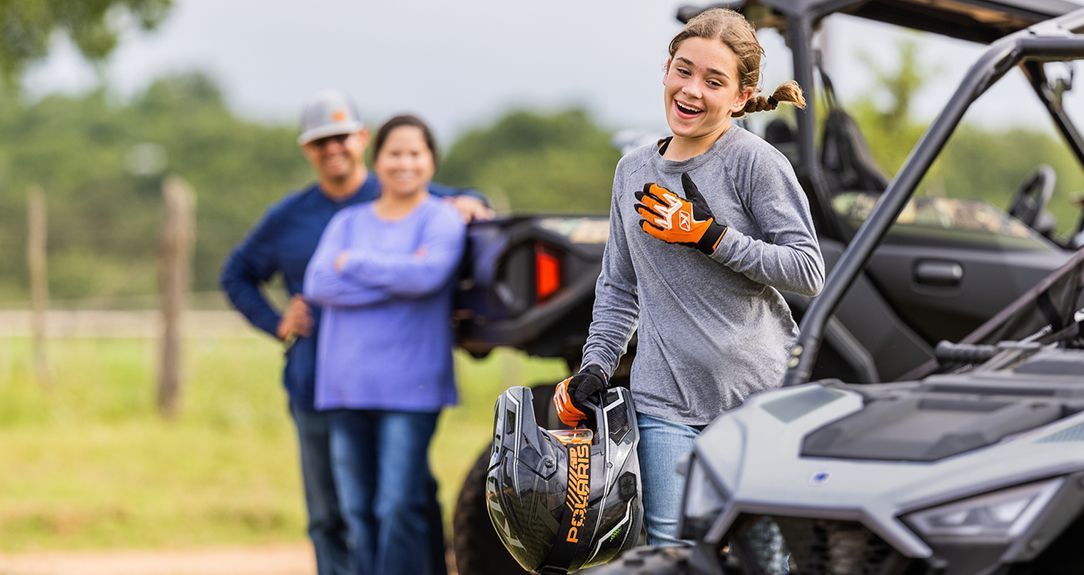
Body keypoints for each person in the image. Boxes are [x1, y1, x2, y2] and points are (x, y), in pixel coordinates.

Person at [551, 8, 825, 547]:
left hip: (756, 403)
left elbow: (807, 270)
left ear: (741, 98)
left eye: (713, 81)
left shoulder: (755, 163)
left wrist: (708, 235)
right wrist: (595, 368)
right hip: (664, 405)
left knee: (763, 557)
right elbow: (619, 286)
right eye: (683, 70)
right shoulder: (632, 171)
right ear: (667, 71)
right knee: (672, 555)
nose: (692, 90)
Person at [219, 93, 488, 575]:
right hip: (320, 381)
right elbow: (254, 276)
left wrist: (358, 268)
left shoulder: (412, 197)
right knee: (336, 512)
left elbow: (440, 242)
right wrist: (276, 321)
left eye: (341, 137)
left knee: (404, 502)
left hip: (405, 379)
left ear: (361, 140)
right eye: (320, 141)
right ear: (307, 149)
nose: (333, 148)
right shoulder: (294, 216)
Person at [303, 114, 466, 575]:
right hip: (343, 386)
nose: (405, 162)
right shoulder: (347, 220)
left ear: (432, 161)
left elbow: (429, 275)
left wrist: (351, 264)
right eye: (395, 153)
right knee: (356, 509)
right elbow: (318, 283)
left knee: (396, 506)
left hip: (411, 390)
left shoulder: (443, 219)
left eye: (415, 153)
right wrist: (397, 272)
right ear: (377, 161)